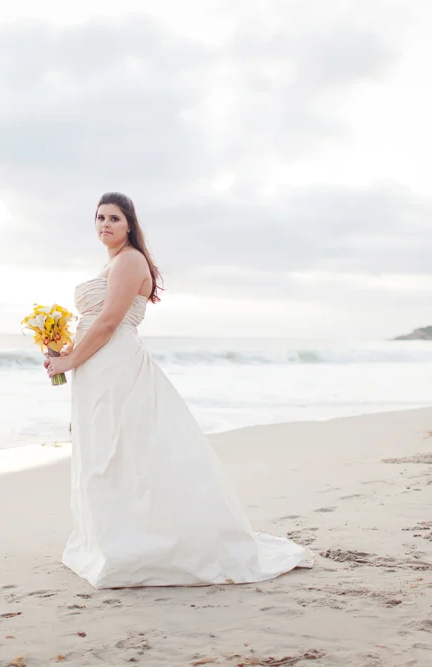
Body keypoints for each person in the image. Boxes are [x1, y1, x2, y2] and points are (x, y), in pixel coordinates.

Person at [44, 192, 313, 589]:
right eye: (99, 217)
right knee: (104, 449)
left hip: (115, 364)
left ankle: (141, 545)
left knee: (125, 449)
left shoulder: (131, 259)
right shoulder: (112, 263)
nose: (105, 224)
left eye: (114, 218)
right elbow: (93, 323)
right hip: (96, 365)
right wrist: (64, 350)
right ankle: (111, 537)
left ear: (130, 225)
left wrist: (70, 361)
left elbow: (109, 323)